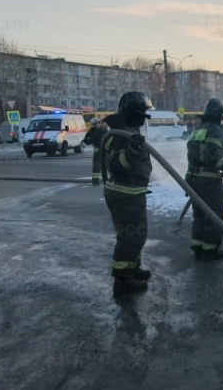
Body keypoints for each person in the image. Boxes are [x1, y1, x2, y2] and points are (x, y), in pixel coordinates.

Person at [101, 92, 154, 296]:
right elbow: (118, 164)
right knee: (131, 238)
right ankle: (123, 281)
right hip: (125, 194)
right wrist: (132, 150)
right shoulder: (120, 134)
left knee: (135, 235)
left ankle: (132, 269)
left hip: (131, 192)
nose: (144, 119)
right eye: (143, 114)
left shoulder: (126, 130)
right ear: (135, 113)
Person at [185, 98, 223, 261]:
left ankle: (198, 248)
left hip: (193, 180)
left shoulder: (198, 129)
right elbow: (214, 157)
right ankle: (210, 250)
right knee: (217, 215)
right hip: (209, 181)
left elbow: (197, 156)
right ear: (219, 116)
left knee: (200, 215)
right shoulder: (215, 130)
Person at [83, 117, 108, 186]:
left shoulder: (104, 131)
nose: (95, 125)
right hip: (97, 151)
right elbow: (86, 140)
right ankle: (95, 181)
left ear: (99, 123)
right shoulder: (92, 131)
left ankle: (107, 181)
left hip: (105, 151)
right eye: (93, 124)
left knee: (107, 166)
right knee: (96, 167)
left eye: (96, 124)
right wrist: (91, 140)